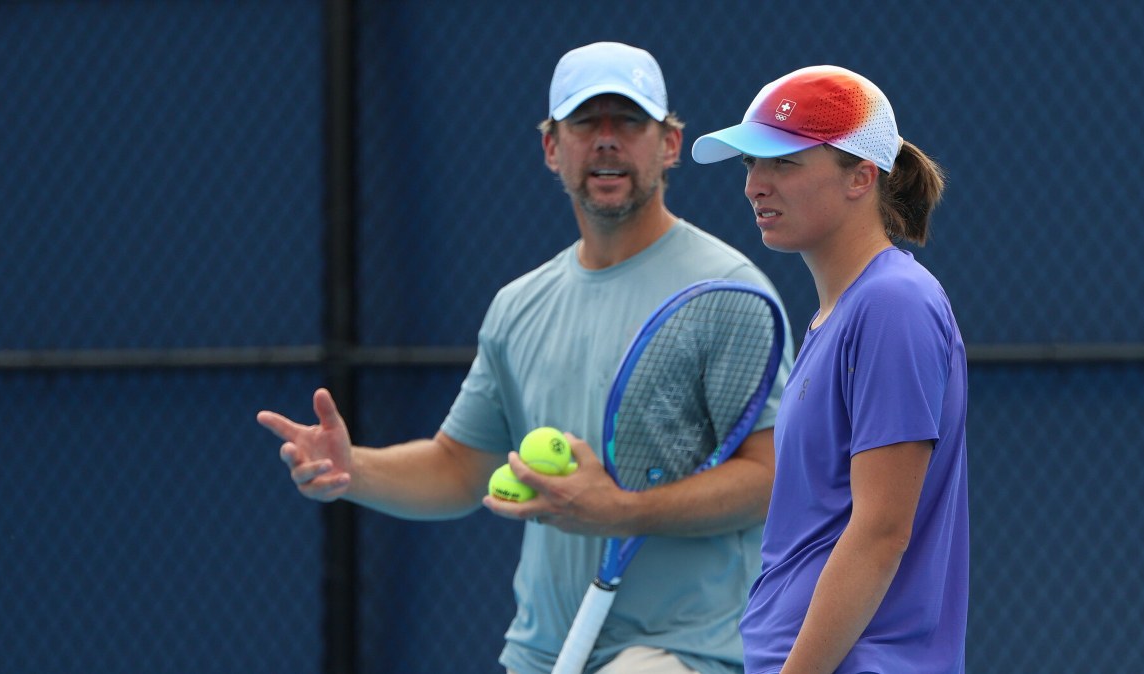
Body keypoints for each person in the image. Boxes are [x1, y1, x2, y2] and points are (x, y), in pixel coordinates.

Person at [258, 42, 793, 674]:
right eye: (585, 123)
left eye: (629, 122)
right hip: (543, 651)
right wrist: (354, 470)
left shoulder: (726, 292)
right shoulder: (517, 308)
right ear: (551, 148)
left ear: (670, 144)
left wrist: (623, 512)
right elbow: (460, 467)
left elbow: (772, 477)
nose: (606, 141)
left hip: (684, 652)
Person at [691, 66, 968, 673]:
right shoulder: (841, 315)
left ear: (861, 177)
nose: (754, 186)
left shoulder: (893, 304)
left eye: (783, 163)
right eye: (749, 165)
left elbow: (880, 534)